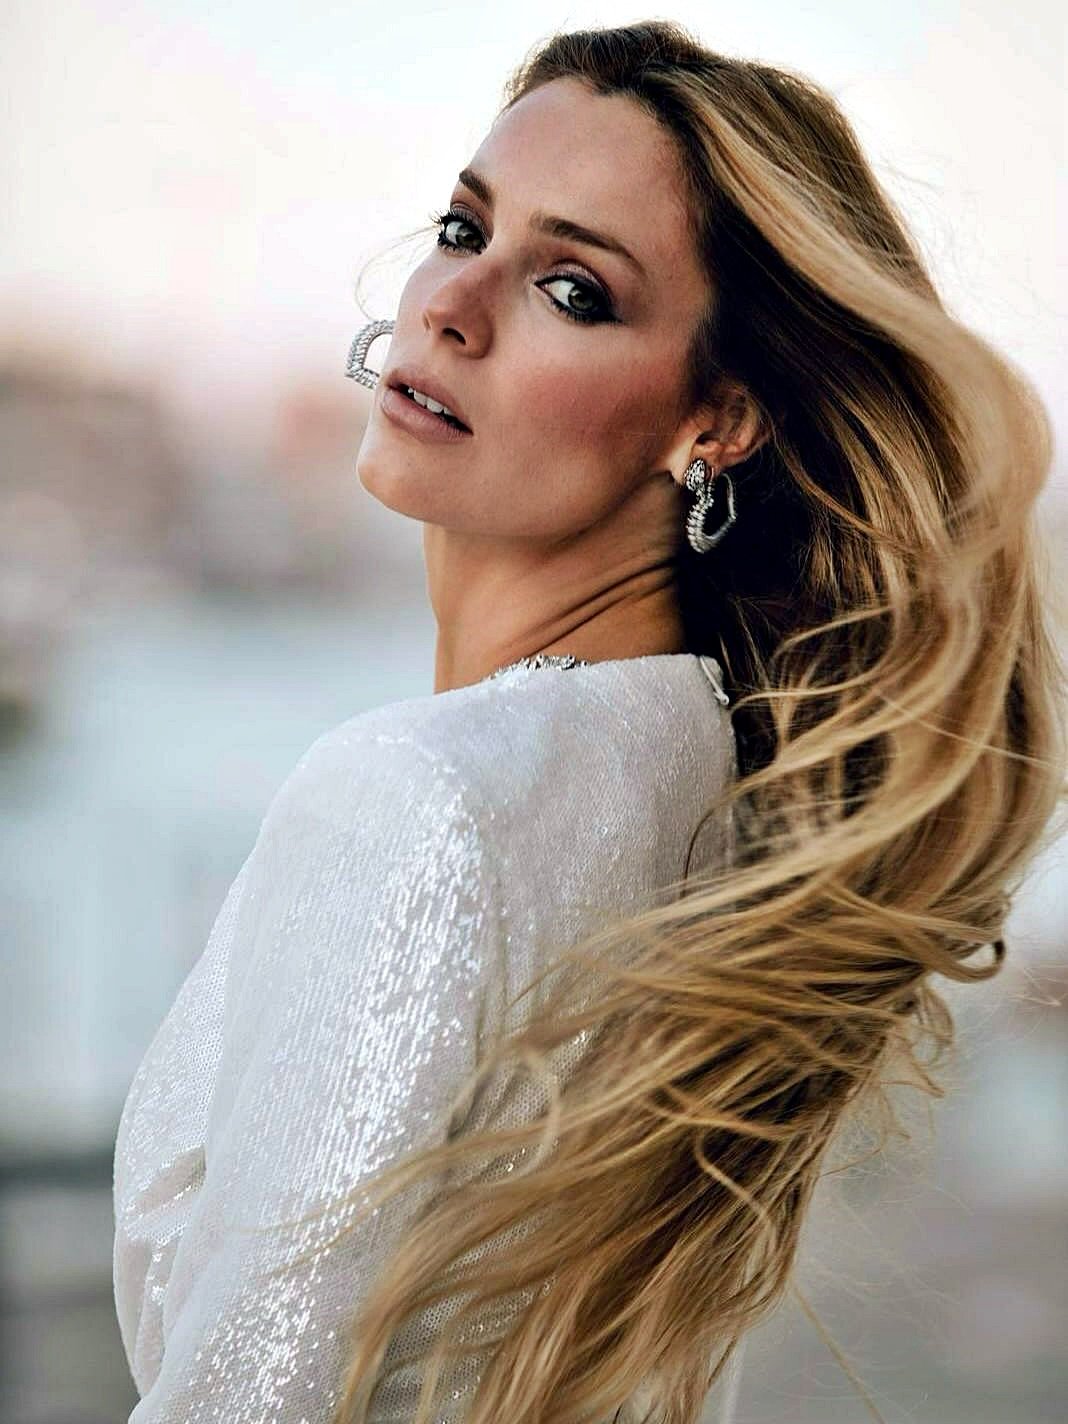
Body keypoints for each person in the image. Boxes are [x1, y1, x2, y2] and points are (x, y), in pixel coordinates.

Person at [112, 19, 1065, 1424]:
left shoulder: (416, 799)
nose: (452, 303)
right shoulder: (717, 794)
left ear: (716, 421)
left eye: (572, 289)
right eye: (463, 228)